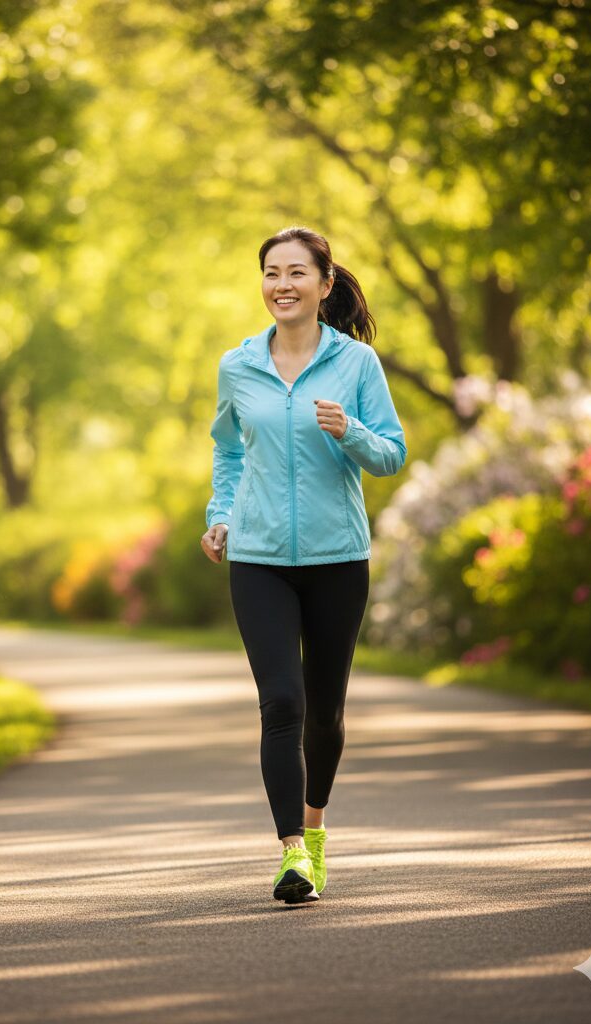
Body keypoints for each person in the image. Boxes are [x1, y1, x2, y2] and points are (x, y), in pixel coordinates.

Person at [200, 226, 408, 904]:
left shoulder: (357, 366)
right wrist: (219, 515)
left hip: (337, 558)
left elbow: (391, 456)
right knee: (281, 702)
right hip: (257, 557)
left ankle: (316, 832)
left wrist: (350, 431)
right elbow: (228, 453)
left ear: (324, 284)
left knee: (324, 712)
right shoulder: (238, 365)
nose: (281, 284)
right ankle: (292, 853)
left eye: (295, 272)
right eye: (270, 272)